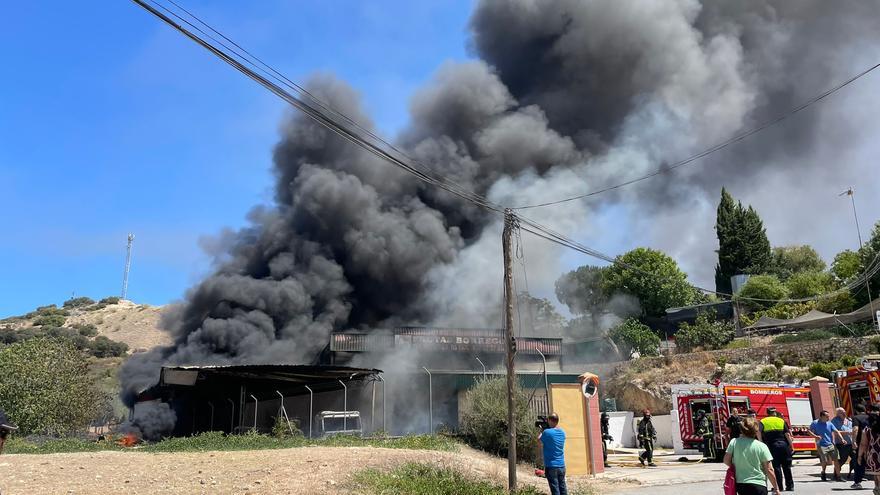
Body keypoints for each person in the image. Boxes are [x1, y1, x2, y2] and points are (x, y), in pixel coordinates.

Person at [724, 417, 781, 495]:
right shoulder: (762, 446)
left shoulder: (734, 442)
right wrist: (776, 488)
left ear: (741, 429)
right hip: (759, 484)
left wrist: (737, 465)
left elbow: (726, 460)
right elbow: (769, 469)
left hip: (741, 484)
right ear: (756, 430)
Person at [760, 407, 794, 491]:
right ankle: (790, 486)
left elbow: (758, 433)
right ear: (775, 413)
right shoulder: (781, 421)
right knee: (787, 466)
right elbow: (787, 435)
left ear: (767, 413)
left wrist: (761, 444)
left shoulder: (763, 421)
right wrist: (791, 446)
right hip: (784, 445)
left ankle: (779, 487)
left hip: (772, 446)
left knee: (776, 467)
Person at [809, 410, 845, 481]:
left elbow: (836, 431)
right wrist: (815, 436)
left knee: (836, 460)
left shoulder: (829, 424)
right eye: (827, 416)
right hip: (821, 445)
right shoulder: (815, 423)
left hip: (831, 444)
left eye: (828, 416)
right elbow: (809, 431)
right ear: (822, 416)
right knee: (825, 461)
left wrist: (842, 439)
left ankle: (839, 476)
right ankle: (823, 472)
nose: (828, 418)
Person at [538, 412, 567, 495]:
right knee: (562, 487)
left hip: (551, 465)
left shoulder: (547, 432)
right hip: (561, 465)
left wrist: (541, 431)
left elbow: (539, 441)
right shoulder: (562, 432)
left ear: (550, 420)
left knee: (555, 489)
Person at [858, 404, 880, 495]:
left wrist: (859, 456)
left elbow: (863, 444)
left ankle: (877, 489)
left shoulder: (867, 430)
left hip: (874, 455)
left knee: (876, 473)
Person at [831, 407, 854, 482]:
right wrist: (848, 432)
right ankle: (836, 473)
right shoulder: (835, 421)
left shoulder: (849, 420)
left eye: (844, 411)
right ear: (838, 413)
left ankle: (859, 475)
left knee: (856, 458)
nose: (844, 413)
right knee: (843, 459)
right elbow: (836, 431)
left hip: (851, 443)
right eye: (841, 412)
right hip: (842, 444)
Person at [852, 403, 872, 489]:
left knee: (860, 462)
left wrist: (854, 441)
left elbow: (855, 429)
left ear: (856, 410)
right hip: (873, 443)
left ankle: (857, 482)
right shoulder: (870, 417)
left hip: (861, 443)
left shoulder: (856, 418)